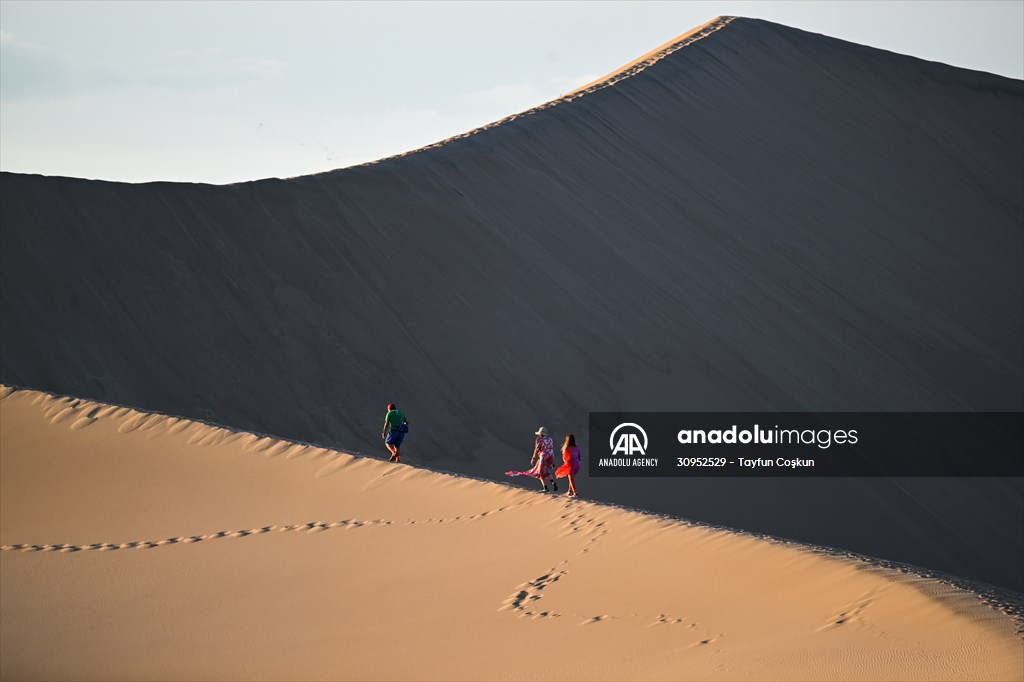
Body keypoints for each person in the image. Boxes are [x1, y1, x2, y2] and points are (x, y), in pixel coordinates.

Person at [505, 427, 558, 492]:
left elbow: (537, 449)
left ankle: (545, 488)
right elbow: (551, 448)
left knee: (540, 472)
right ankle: (552, 481)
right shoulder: (550, 439)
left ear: (540, 434)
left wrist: (533, 458)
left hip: (543, 456)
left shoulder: (540, 440)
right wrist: (553, 461)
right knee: (547, 471)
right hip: (551, 455)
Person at [555, 433, 581, 497]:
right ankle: (570, 491)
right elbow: (579, 456)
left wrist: (566, 463)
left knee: (571, 479)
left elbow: (564, 458)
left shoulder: (567, 448)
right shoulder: (577, 447)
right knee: (571, 478)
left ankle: (575, 492)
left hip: (571, 465)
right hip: (577, 465)